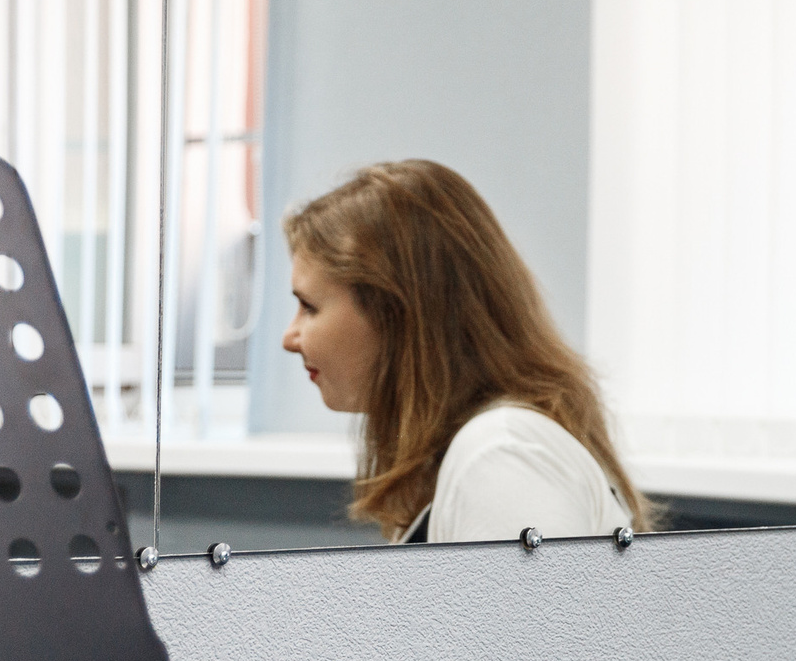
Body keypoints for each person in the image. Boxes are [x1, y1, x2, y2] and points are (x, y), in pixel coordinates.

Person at [279, 159, 651, 544]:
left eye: (309, 306)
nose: (289, 338)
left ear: (397, 315)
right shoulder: (477, 453)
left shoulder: (501, 457)